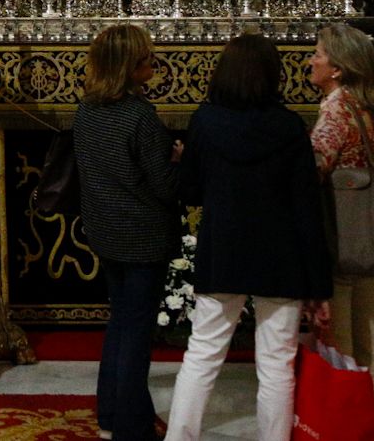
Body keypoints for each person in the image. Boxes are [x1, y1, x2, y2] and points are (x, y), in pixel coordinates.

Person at [164, 33, 333, 441]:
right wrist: (319, 283)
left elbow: (189, 191)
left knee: (203, 353)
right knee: (276, 363)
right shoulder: (290, 126)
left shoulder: (205, 122)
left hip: (225, 247)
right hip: (281, 254)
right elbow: (307, 209)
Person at [72, 23, 181, 441]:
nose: (151, 61)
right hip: (143, 235)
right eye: (146, 57)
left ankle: (111, 412)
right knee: (136, 331)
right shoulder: (140, 117)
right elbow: (164, 186)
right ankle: (131, 425)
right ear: (130, 66)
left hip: (106, 229)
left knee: (120, 322)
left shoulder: (88, 110)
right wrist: (178, 161)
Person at [310, 23, 374, 440]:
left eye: (319, 54)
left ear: (338, 69)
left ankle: (347, 430)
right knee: (373, 346)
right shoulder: (372, 109)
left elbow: (314, 168)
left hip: (343, 242)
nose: (311, 60)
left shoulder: (337, 108)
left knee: (340, 349)